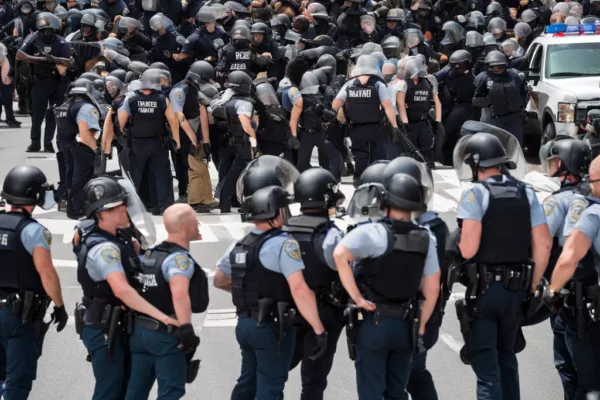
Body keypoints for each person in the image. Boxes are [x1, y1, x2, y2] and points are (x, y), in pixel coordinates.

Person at [454, 132, 551, 399]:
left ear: (476, 163)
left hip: (486, 292)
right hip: (517, 292)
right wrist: (531, 286)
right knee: (507, 357)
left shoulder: (476, 194)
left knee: (487, 367)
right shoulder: (526, 191)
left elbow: (469, 249)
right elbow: (543, 245)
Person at [333, 172, 441, 399]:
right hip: (405, 325)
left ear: (387, 201)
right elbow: (432, 289)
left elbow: (340, 254)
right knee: (397, 392)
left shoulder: (374, 232)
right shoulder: (426, 238)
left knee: (371, 392)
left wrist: (358, 298)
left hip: (374, 322)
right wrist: (420, 325)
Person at [213, 185, 327, 399]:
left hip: (245, 323)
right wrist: (318, 328)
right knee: (271, 387)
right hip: (272, 326)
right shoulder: (283, 244)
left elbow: (219, 279)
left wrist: (250, 296)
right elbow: (299, 288)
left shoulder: (242, 243)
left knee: (248, 382)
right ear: (276, 212)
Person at [74, 176, 180, 400]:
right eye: (118, 207)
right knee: (110, 391)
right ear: (102, 213)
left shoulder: (117, 239)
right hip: (105, 328)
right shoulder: (104, 249)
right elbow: (121, 290)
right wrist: (162, 317)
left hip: (119, 326)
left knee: (126, 388)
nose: (125, 210)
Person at [380, 157, 449, 400]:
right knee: (414, 372)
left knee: (400, 376)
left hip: (403, 314)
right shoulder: (436, 226)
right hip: (427, 314)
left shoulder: (396, 230)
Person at [126, 204, 208, 399]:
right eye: (194, 221)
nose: (198, 224)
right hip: (165, 334)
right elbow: (179, 294)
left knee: (136, 392)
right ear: (183, 228)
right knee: (171, 392)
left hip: (140, 334)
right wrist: (186, 328)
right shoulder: (178, 259)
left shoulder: (150, 254)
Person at [0, 165, 68, 399]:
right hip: (18, 315)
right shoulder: (33, 231)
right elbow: (46, 273)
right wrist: (59, 306)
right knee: (17, 381)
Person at [286, 168, 346, 400]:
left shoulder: (285, 229)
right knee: (313, 380)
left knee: (276, 371)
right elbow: (345, 270)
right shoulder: (332, 235)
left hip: (288, 309)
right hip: (324, 311)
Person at [546, 154, 600, 400]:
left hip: (583, 307)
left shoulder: (593, 213)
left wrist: (551, 291)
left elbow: (568, 258)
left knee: (585, 381)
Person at [117, 68, 179, 215]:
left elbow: (121, 121)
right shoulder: (162, 98)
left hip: (137, 144)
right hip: (159, 143)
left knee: (135, 176)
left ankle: (130, 208)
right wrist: (177, 141)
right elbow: (172, 120)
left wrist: (122, 140)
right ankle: (164, 206)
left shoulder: (131, 98)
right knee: (161, 175)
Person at [332, 55, 400, 186]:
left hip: (356, 128)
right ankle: (377, 181)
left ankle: (358, 180)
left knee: (360, 156)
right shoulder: (378, 84)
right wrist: (395, 126)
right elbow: (388, 107)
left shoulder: (349, 83)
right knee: (378, 156)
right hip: (376, 128)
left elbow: (335, 105)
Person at [17, 12, 70, 153]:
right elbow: (20, 54)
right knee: (37, 114)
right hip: (38, 80)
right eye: (43, 29)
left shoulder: (61, 41)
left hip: (56, 81)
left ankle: (48, 143)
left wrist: (53, 59)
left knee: (53, 114)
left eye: (48, 30)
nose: (45, 33)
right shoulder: (33, 38)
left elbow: (67, 62)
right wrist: (41, 60)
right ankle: (35, 143)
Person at [54, 78, 102, 219]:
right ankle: (78, 208)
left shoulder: (65, 105)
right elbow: (85, 132)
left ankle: (71, 206)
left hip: (67, 146)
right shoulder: (86, 108)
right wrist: (95, 149)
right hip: (82, 147)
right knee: (82, 179)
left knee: (70, 176)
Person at [217, 71, 257, 214]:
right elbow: (246, 126)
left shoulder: (229, 101)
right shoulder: (243, 104)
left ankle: (225, 203)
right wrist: (254, 142)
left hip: (236, 142)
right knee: (248, 174)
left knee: (234, 174)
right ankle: (249, 205)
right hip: (245, 143)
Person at [472, 50, 528, 146]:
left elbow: (524, 92)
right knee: (495, 144)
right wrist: (492, 101)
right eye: (493, 67)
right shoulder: (483, 78)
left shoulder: (514, 76)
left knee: (515, 144)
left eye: (500, 66)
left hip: (514, 116)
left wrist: (520, 105)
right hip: (493, 117)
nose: (497, 69)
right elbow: (476, 100)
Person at [293, 71, 341, 180]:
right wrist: (294, 136)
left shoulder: (318, 97)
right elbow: (293, 119)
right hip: (305, 134)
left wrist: (322, 109)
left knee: (334, 155)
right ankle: (305, 183)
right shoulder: (299, 100)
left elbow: (329, 116)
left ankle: (333, 179)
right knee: (302, 164)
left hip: (319, 133)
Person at [397, 56, 443, 168]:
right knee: (410, 149)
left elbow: (437, 101)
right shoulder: (404, 83)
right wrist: (404, 121)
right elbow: (400, 103)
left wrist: (438, 120)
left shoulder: (427, 82)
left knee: (427, 144)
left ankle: (430, 165)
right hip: (409, 121)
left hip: (423, 120)